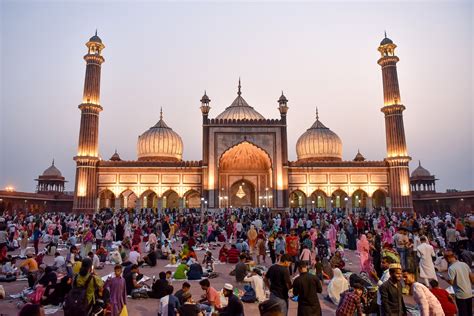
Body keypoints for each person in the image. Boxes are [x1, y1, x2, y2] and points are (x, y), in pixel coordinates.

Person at [441, 250, 473, 316]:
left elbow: (451, 282)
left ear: (448, 258)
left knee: (463, 313)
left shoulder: (451, 268)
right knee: (469, 312)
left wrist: (444, 279)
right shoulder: (464, 264)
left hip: (460, 295)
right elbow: (472, 278)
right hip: (469, 293)